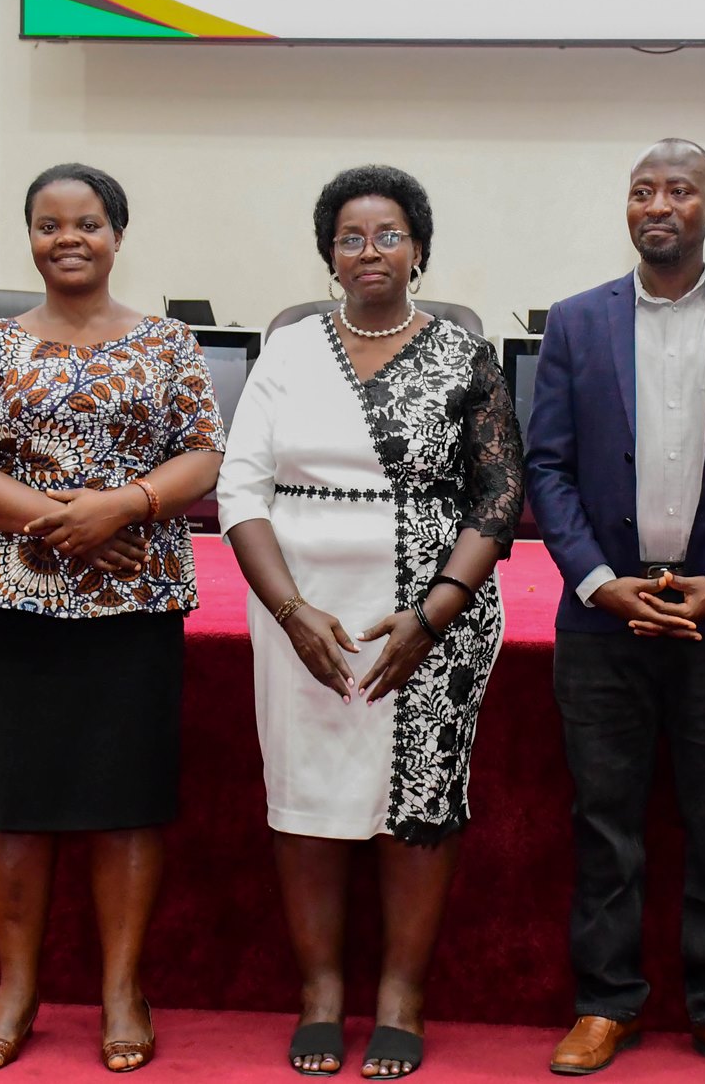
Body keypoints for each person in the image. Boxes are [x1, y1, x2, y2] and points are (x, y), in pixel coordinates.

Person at [216, 165, 523, 1079]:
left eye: (388, 234)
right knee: (306, 797)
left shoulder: (465, 355)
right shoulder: (290, 351)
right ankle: (319, 993)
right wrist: (292, 610)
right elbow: (241, 486)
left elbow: (501, 493)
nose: (370, 251)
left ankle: (401, 996)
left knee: (419, 802)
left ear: (419, 249)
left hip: (436, 614)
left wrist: (432, 616)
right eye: (351, 237)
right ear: (329, 256)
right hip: (300, 613)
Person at [525, 139, 705, 1084]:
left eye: (680, 190)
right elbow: (550, 467)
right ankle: (605, 1002)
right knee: (605, 819)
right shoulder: (574, 322)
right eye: (643, 190)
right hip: (603, 612)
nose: (659, 204)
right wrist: (596, 578)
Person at [0, 163, 226, 1073]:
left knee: (124, 804)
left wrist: (124, 506)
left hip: (133, 601)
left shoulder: (170, 343)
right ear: (29, 235)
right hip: (13, 596)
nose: (69, 238)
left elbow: (205, 456)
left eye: (88, 222)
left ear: (118, 233)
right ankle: (15, 987)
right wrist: (70, 522)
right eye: (49, 223)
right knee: (11, 805)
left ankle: (121, 989)